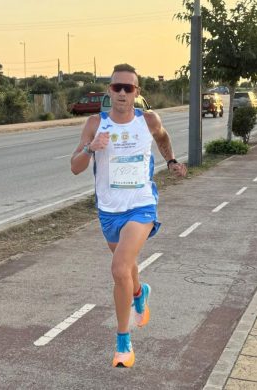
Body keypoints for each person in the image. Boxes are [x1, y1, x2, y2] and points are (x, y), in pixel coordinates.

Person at [70, 63, 187, 368]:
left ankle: (124, 344)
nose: (122, 93)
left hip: (141, 205)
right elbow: (75, 166)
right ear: (109, 91)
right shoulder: (96, 124)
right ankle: (139, 293)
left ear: (137, 92)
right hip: (109, 211)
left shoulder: (147, 120)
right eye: (117, 87)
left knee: (119, 267)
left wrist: (171, 160)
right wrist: (91, 148)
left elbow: (162, 138)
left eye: (129, 88)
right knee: (127, 268)